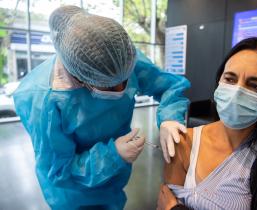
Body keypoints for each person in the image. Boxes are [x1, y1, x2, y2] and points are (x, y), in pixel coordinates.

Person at [13, 5, 190, 210]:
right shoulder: (42, 100)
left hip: (113, 182)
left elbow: (168, 85)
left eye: (126, 80)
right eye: (108, 85)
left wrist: (170, 117)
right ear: (80, 77)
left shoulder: (120, 57)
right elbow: (59, 170)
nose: (121, 89)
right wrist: (113, 155)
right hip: (72, 196)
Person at [157, 37, 257, 210]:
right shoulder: (184, 142)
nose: (237, 92)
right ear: (219, 81)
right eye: (230, 79)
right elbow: (164, 201)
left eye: (255, 86)